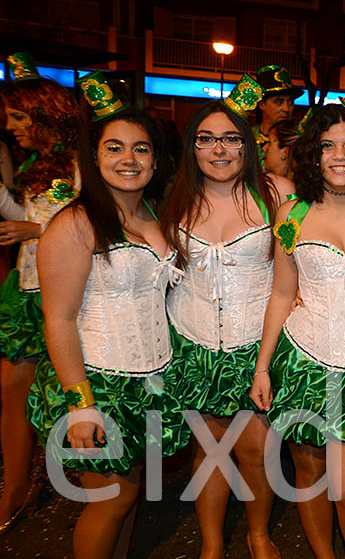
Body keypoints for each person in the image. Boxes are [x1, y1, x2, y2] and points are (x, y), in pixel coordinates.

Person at [26, 74, 187, 558]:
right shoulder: (74, 223)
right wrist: (81, 404)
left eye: (140, 149)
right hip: (96, 380)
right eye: (114, 148)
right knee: (111, 498)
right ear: (93, 157)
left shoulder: (153, 216)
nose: (128, 160)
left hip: (149, 380)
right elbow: (58, 319)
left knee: (129, 492)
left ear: (156, 160)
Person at [250, 74, 345, 559]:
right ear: (311, 154)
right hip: (306, 360)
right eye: (327, 145)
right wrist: (263, 366)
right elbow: (281, 292)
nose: (339, 154)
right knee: (309, 473)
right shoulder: (290, 215)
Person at [160, 75, 293, 559]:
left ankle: (259, 534)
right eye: (207, 138)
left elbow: (294, 270)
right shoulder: (174, 199)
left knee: (256, 453)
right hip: (193, 344)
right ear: (192, 147)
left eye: (231, 138)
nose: (219, 149)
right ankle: (211, 545)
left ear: (248, 144)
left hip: (256, 343)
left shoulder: (276, 193)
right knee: (208, 452)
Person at [0, 53, 81, 533]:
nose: (10, 126)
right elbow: (18, 213)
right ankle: (15, 486)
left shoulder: (78, 162)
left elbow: (91, 218)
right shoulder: (33, 164)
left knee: (64, 396)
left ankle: (90, 474)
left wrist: (34, 226)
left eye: (17, 116)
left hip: (63, 295)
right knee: (10, 392)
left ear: (45, 114)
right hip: (25, 290)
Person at [252, 64, 301, 161]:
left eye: (290, 102)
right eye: (279, 102)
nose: (286, 109)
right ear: (262, 105)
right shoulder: (248, 137)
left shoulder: (300, 140)